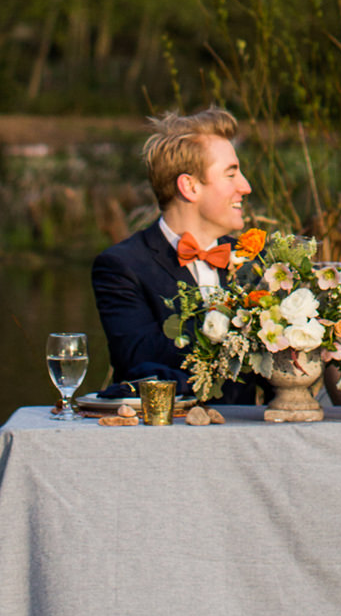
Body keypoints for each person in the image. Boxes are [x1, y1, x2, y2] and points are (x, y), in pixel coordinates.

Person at [91, 106, 260, 400]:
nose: (245, 187)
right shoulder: (122, 266)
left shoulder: (253, 260)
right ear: (189, 186)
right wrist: (235, 326)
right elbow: (140, 363)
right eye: (231, 174)